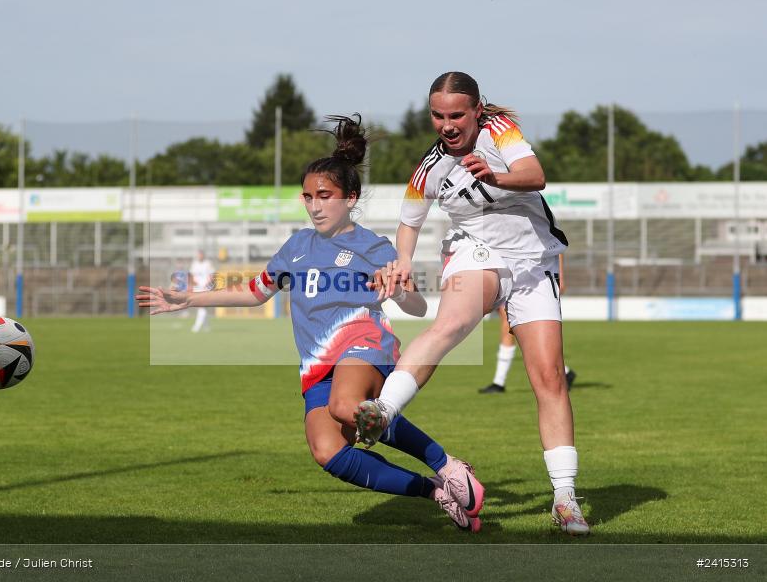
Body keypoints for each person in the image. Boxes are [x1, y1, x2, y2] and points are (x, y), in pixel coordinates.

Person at [137, 115, 484, 531]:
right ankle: (436, 490)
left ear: (350, 198)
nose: (315, 205)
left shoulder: (373, 246)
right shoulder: (296, 246)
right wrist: (189, 299)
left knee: (345, 407)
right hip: (316, 366)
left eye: (325, 195)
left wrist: (396, 290)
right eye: (307, 197)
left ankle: (445, 463)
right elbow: (255, 292)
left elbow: (416, 308)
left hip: (365, 346)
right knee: (328, 453)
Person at [354, 72, 590, 535]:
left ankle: (565, 499)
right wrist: (402, 260)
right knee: (453, 325)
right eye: (438, 116)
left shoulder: (500, 132)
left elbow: (536, 176)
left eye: (456, 114)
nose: (446, 124)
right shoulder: (430, 166)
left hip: (532, 263)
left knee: (549, 377)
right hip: (474, 251)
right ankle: (383, 411)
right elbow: (410, 221)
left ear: (477, 110)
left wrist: (496, 174)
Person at [480, 253, 577, 393]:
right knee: (517, 329)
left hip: (528, 280)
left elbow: (555, 243)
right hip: (506, 274)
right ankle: (565, 371)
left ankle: (499, 382)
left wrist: (560, 275)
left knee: (511, 326)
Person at [189, 250, 215, 333]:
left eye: (201, 255)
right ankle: (206, 326)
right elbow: (192, 276)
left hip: (205, 288)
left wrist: (207, 284)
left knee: (202, 306)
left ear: (203, 255)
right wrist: (193, 284)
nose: (199, 256)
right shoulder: (194, 264)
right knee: (201, 307)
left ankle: (196, 327)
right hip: (197, 288)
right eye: (198, 255)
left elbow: (212, 275)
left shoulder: (208, 263)